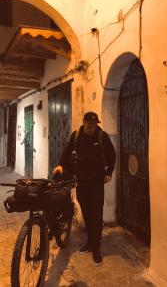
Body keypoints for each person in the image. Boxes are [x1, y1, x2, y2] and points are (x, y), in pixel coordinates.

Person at [53, 111, 116, 266]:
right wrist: (61, 165)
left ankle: (96, 249)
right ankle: (90, 241)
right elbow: (67, 152)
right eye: (88, 124)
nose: (91, 127)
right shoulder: (76, 136)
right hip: (82, 182)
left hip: (96, 183)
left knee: (96, 213)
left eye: (94, 124)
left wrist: (108, 172)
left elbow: (112, 155)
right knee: (87, 213)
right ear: (83, 122)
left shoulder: (102, 136)